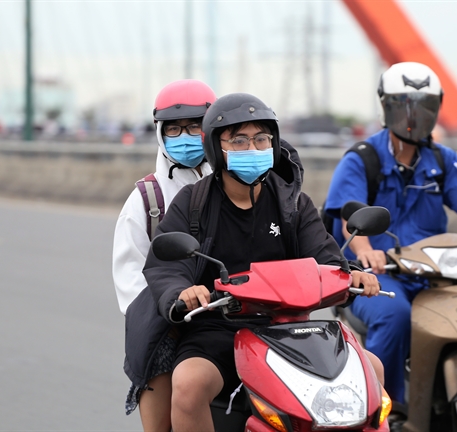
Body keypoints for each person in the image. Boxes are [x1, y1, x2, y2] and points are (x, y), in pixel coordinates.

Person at [142, 93, 383, 432]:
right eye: (239, 140)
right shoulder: (193, 202)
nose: (252, 148)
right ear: (216, 147)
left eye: (261, 139)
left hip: (290, 327)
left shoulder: (293, 203)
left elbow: (327, 255)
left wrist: (354, 275)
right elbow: (165, 267)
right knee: (188, 384)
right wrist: (182, 292)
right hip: (219, 329)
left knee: (371, 367)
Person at [324, 62, 457, 407]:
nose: (413, 116)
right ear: (387, 107)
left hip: (433, 274)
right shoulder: (361, 159)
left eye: (424, 106)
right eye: (403, 105)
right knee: (395, 314)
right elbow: (349, 218)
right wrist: (366, 249)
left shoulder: (443, 160)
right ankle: (379, 404)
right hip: (375, 275)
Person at [112, 79, 216, 432]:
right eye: (174, 129)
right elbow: (129, 276)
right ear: (160, 133)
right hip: (169, 323)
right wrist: (170, 308)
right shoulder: (147, 198)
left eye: (194, 127)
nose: (184, 136)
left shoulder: (234, 186)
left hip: (228, 313)